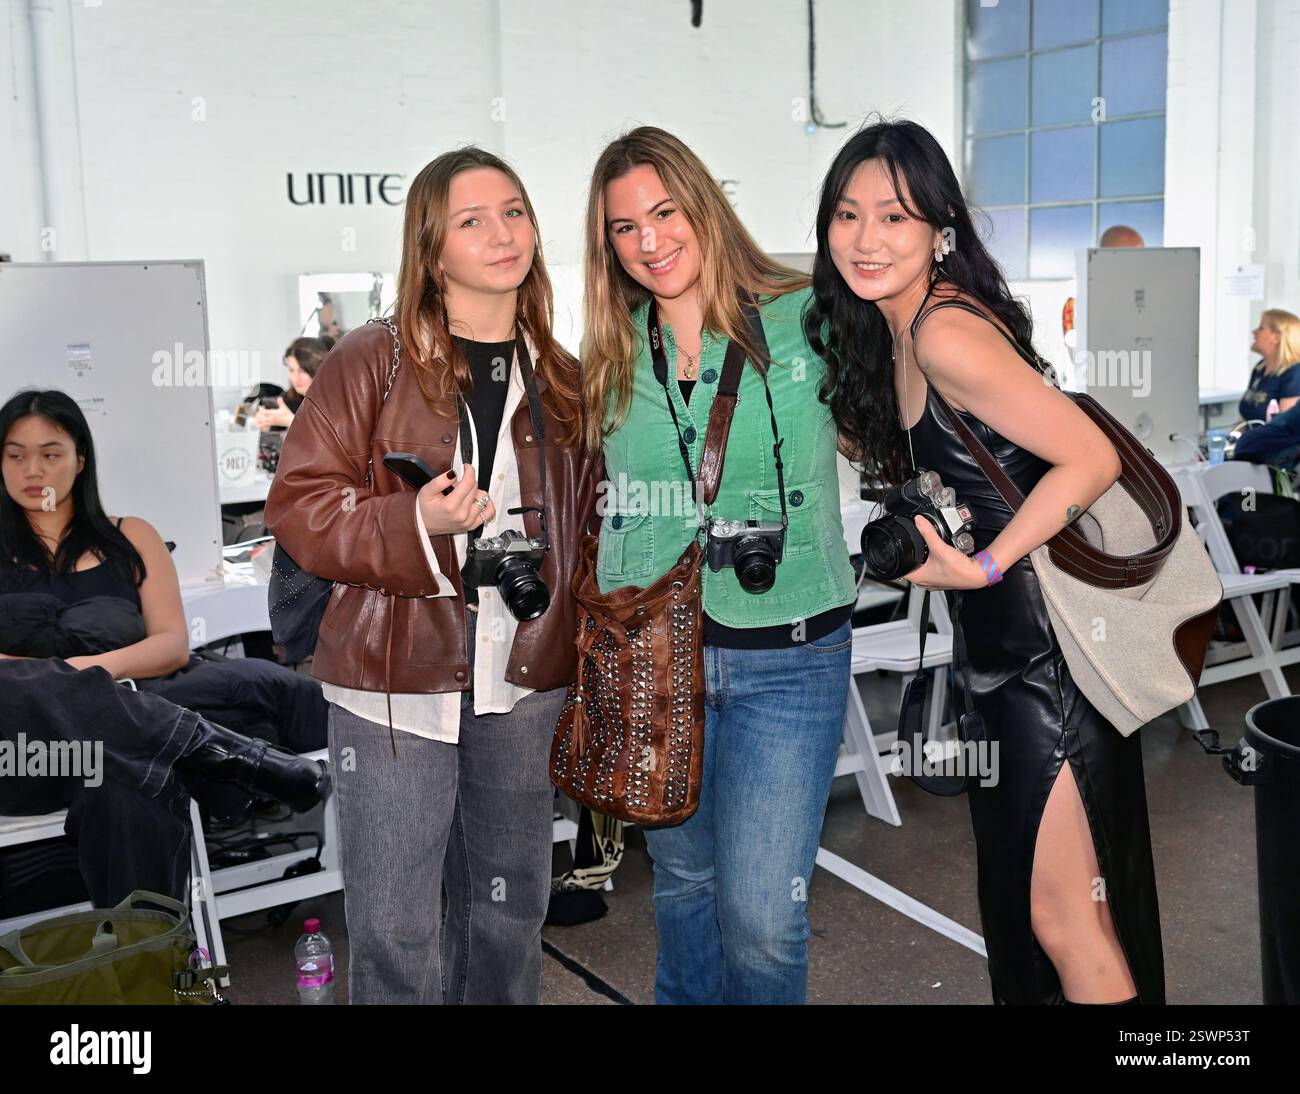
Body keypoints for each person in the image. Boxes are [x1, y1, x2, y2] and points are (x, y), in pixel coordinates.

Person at [809, 118, 1161, 1005]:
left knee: (1064, 921)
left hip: (1046, 662)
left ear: (940, 231)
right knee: (1053, 910)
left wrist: (989, 564)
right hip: (1004, 659)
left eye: (894, 217)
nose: (865, 239)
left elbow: (1092, 458)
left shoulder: (942, 334)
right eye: (847, 216)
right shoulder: (899, 334)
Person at [265, 147, 600, 1005]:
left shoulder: (560, 377)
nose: (503, 233)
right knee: (396, 928)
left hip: (521, 680)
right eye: (472, 220)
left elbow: (588, 527)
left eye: (516, 211)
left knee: (510, 909)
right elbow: (300, 508)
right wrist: (418, 521)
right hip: (391, 682)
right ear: (432, 246)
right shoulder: (371, 360)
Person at [581, 126, 857, 1005]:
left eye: (664, 212)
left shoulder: (808, 314)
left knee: (765, 918)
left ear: (703, 205)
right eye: (625, 227)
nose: (649, 240)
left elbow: (893, 411)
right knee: (685, 891)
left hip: (792, 653)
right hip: (661, 659)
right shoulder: (611, 351)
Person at [0, 389, 328, 905]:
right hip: (32, 751)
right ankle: (228, 753)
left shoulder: (130, 536)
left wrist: (84, 672)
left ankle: (151, 963)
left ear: (80, 459)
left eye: (50, 453)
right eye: (15, 455)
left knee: (122, 779)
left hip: (133, 724)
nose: (32, 470)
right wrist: (69, 681)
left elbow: (172, 645)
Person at [1235, 308, 1300, 426]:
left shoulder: (1295, 373)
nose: (1254, 332)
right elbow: (1246, 421)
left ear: (1276, 337)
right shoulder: (1260, 368)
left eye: (1261, 328)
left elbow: (1286, 428)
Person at [254, 336, 334, 430]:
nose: (296, 379)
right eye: (291, 370)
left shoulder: (334, 402)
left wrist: (291, 421)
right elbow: (277, 421)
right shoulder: (292, 397)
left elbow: (329, 437)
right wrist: (266, 421)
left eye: (302, 371)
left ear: (318, 369)